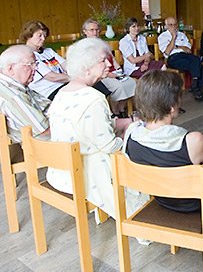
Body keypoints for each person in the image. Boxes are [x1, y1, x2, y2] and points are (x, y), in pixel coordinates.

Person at [124, 70, 203, 231]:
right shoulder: (192, 140)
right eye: (178, 98)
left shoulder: (131, 137)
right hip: (195, 202)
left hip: (162, 198)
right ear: (171, 108)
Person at [46, 38, 149, 222]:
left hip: (61, 170)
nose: (109, 64)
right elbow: (109, 146)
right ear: (86, 67)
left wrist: (125, 122)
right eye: (102, 60)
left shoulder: (62, 93)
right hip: (86, 173)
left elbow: (87, 126)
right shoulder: (93, 98)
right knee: (143, 143)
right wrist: (129, 132)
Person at [0, 45, 50, 143]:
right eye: (31, 64)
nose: (36, 68)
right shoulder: (13, 97)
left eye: (35, 63)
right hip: (42, 146)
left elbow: (44, 103)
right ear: (11, 68)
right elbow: (44, 130)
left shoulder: (4, 83)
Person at [82, 18, 136, 118]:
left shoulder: (103, 43)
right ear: (85, 32)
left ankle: (121, 108)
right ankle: (115, 111)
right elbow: (91, 67)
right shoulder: (84, 47)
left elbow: (112, 58)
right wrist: (109, 74)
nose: (95, 32)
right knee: (119, 87)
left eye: (97, 30)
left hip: (113, 71)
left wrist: (119, 69)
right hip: (100, 75)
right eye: (92, 30)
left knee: (131, 82)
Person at [158, 16, 203, 102]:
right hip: (173, 58)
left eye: (175, 25)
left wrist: (177, 46)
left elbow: (188, 49)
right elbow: (167, 52)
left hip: (185, 55)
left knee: (196, 60)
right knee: (196, 64)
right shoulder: (162, 36)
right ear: (166, 26)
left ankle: (196, 88)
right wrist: (173, 38)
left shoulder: (182, 34)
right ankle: (197, 89)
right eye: (170, 25)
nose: (173, 27)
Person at [19, 20, 70, 100]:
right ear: (29, 35)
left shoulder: (49, 51)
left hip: (65, 85)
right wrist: (78, 77)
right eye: (39, 35)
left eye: (44, 36)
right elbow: (52, 77)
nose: (43, 39)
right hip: (49, 91)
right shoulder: (28, 55)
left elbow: (67, 66)